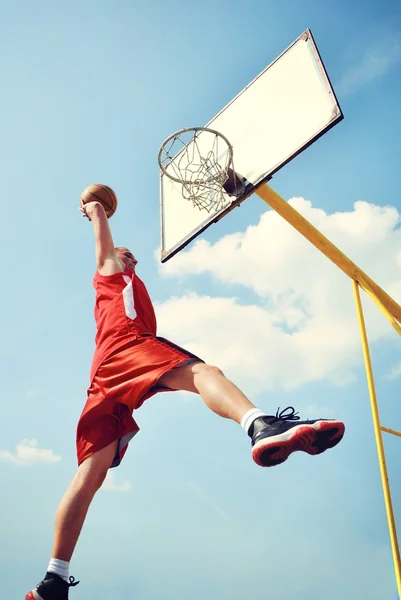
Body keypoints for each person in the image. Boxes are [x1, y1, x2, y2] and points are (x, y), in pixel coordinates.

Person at [26, 199, 345, 600]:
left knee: (90, 476)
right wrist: (96, 210)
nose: (132, 257)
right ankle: (261, 426)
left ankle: (54, 578)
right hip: (126, 350)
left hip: (102, 379)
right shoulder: (110, 274)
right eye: (127, 254)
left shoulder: (130, 288)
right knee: (204, 373)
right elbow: (103, 244)